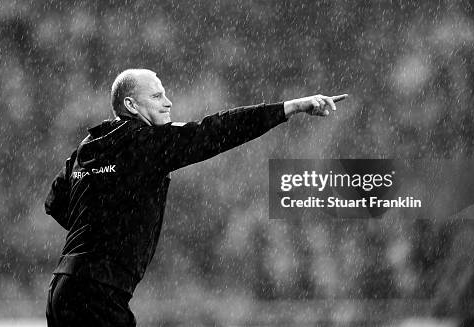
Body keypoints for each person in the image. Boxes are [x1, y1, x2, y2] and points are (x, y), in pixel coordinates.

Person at [45, 68, 347, 326]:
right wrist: (290, 107)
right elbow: (215, 131)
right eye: (156, 96)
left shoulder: (89, 145)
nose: (168, 102)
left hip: (61, 291)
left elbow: (55, 203)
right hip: (98, 293)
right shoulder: (147, 144)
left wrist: (102, 222)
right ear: (131, 105)